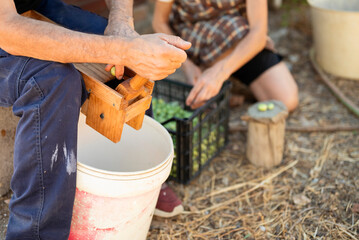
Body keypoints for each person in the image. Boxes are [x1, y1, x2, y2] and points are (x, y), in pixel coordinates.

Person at [0, 0, 191, 238]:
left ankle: (137, 180)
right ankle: (33, 234)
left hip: (33, 5)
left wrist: (122, 23)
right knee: (52, 79)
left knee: (106, 35)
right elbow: (6, 29)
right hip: (5, 25)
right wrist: (120, 49)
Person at [152, 0, 298, 217]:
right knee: (205, 99)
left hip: (240, 38)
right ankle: (218, 76)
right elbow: (159, 20)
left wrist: (219, 73)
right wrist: (188, 65)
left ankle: (228, 79)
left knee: (286, 100)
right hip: (197, 39)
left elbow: (258, 32)